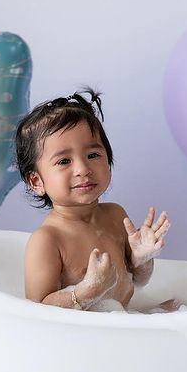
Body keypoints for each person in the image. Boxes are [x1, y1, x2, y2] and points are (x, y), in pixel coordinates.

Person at [17, 89, 177, 312]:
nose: (83, 169)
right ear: (36, 182)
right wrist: (87, 291)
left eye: (93, 155)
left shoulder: (115, 215)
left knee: (179, 306)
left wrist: (142, 259)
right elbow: (36, 310)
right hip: (86, 336)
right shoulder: (47, 240)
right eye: (64, 161)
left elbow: (137, 280)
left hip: (123, 320)